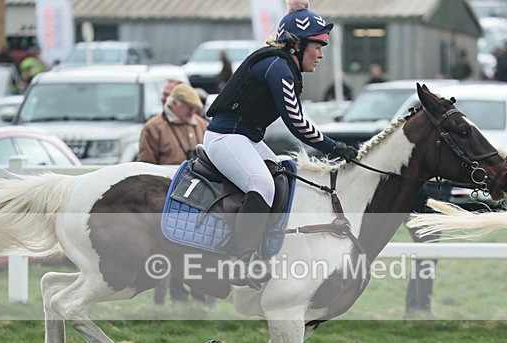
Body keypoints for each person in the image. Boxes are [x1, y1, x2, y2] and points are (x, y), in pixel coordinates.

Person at [204, 0, 357, 289]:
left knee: (284, 175)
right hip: (226, 138)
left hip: (244, 138)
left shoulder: (281, 63)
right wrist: (334, 147)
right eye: (318, 46)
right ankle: (244, 259)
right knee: (262, 184)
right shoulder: (278, 67)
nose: (321, 55)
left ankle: (267, 246)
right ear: (297, 45)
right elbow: (297, 123)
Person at [138, 83, 209, 305]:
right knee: (167, 249)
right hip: (166, 200)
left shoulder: (201, 125)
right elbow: (145, 167)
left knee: (197, 248)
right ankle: (163, 301)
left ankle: (198, 294)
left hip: (199, 198)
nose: (193, 113)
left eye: (195, 109)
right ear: (175, 105)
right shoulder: (154, 128)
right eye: (189, 108)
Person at [404, 182, 451, 319]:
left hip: (431, 206)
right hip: (424, 207)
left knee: (425, 257)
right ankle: (421, 308)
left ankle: (414, 307)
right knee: (427, 257)